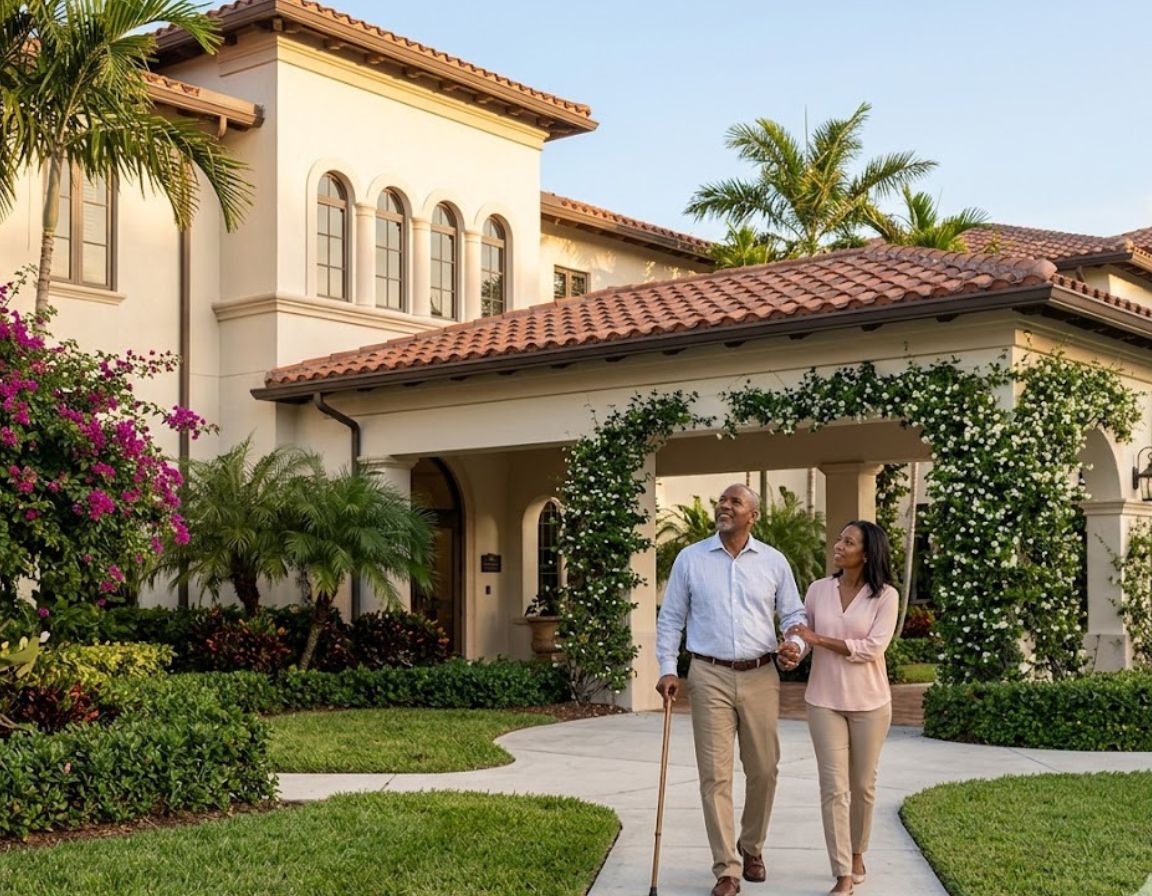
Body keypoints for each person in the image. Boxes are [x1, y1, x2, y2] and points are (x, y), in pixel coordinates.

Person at [656, 483, 808, 896]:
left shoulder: (774, 563)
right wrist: (669, 669)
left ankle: (752, 844)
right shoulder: (691, 560)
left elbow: (794, 615)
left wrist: (795, 645)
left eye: (735, 502)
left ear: (752, 516)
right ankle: (727, 867)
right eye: (722, 501)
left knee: (763, 769)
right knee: (715, 776)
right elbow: (670, 619)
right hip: (708, 675)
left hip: (761, 675)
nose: (725, 506)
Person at [786, 520, 899, 896]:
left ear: (866, 554)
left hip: (870, 704)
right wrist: (795, 650)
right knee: (834, 788)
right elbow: (802, 634)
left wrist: (818, 639)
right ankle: (842, 874)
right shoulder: (819, 589)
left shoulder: (885, 596)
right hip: (824, 702)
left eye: (848, 542)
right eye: (839, 539)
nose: (838, 545)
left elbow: (872, 648)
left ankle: (857, 851)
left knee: (862, 786)